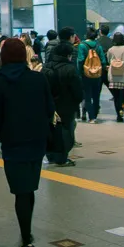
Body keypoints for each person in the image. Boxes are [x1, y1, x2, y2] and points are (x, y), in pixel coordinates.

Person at [0, 37, 54, 247]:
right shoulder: (38, 79)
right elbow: (49, 109)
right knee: (29, 189)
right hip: (36, 142)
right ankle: (27, 235)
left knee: (20, 191)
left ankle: (26, 239)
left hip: (12, 143)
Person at [43, 34, 82, 166]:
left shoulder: (46, 67)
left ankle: (51, 156)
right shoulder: (70, 69)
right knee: (65, 132)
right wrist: (77, 102)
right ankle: (62, 158)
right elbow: (77, 91)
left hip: (48, 106)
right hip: (66, 106)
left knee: (50, 130)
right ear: (67, 55)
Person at [77, 29, 105, 123]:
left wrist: (80, 72)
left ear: (87, 35)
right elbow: (103, 60)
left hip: (86, 74)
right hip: (97, 75)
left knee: (87, 96)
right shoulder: (98, 46)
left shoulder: (82, 45)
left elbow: (80, 60)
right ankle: (95, 115)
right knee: (96, 96)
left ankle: (91, 117)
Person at [106, 32, 124, 122]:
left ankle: (119, 115)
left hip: (113, 76)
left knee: (116, 97)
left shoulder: (110, 50)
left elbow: (108, 60)